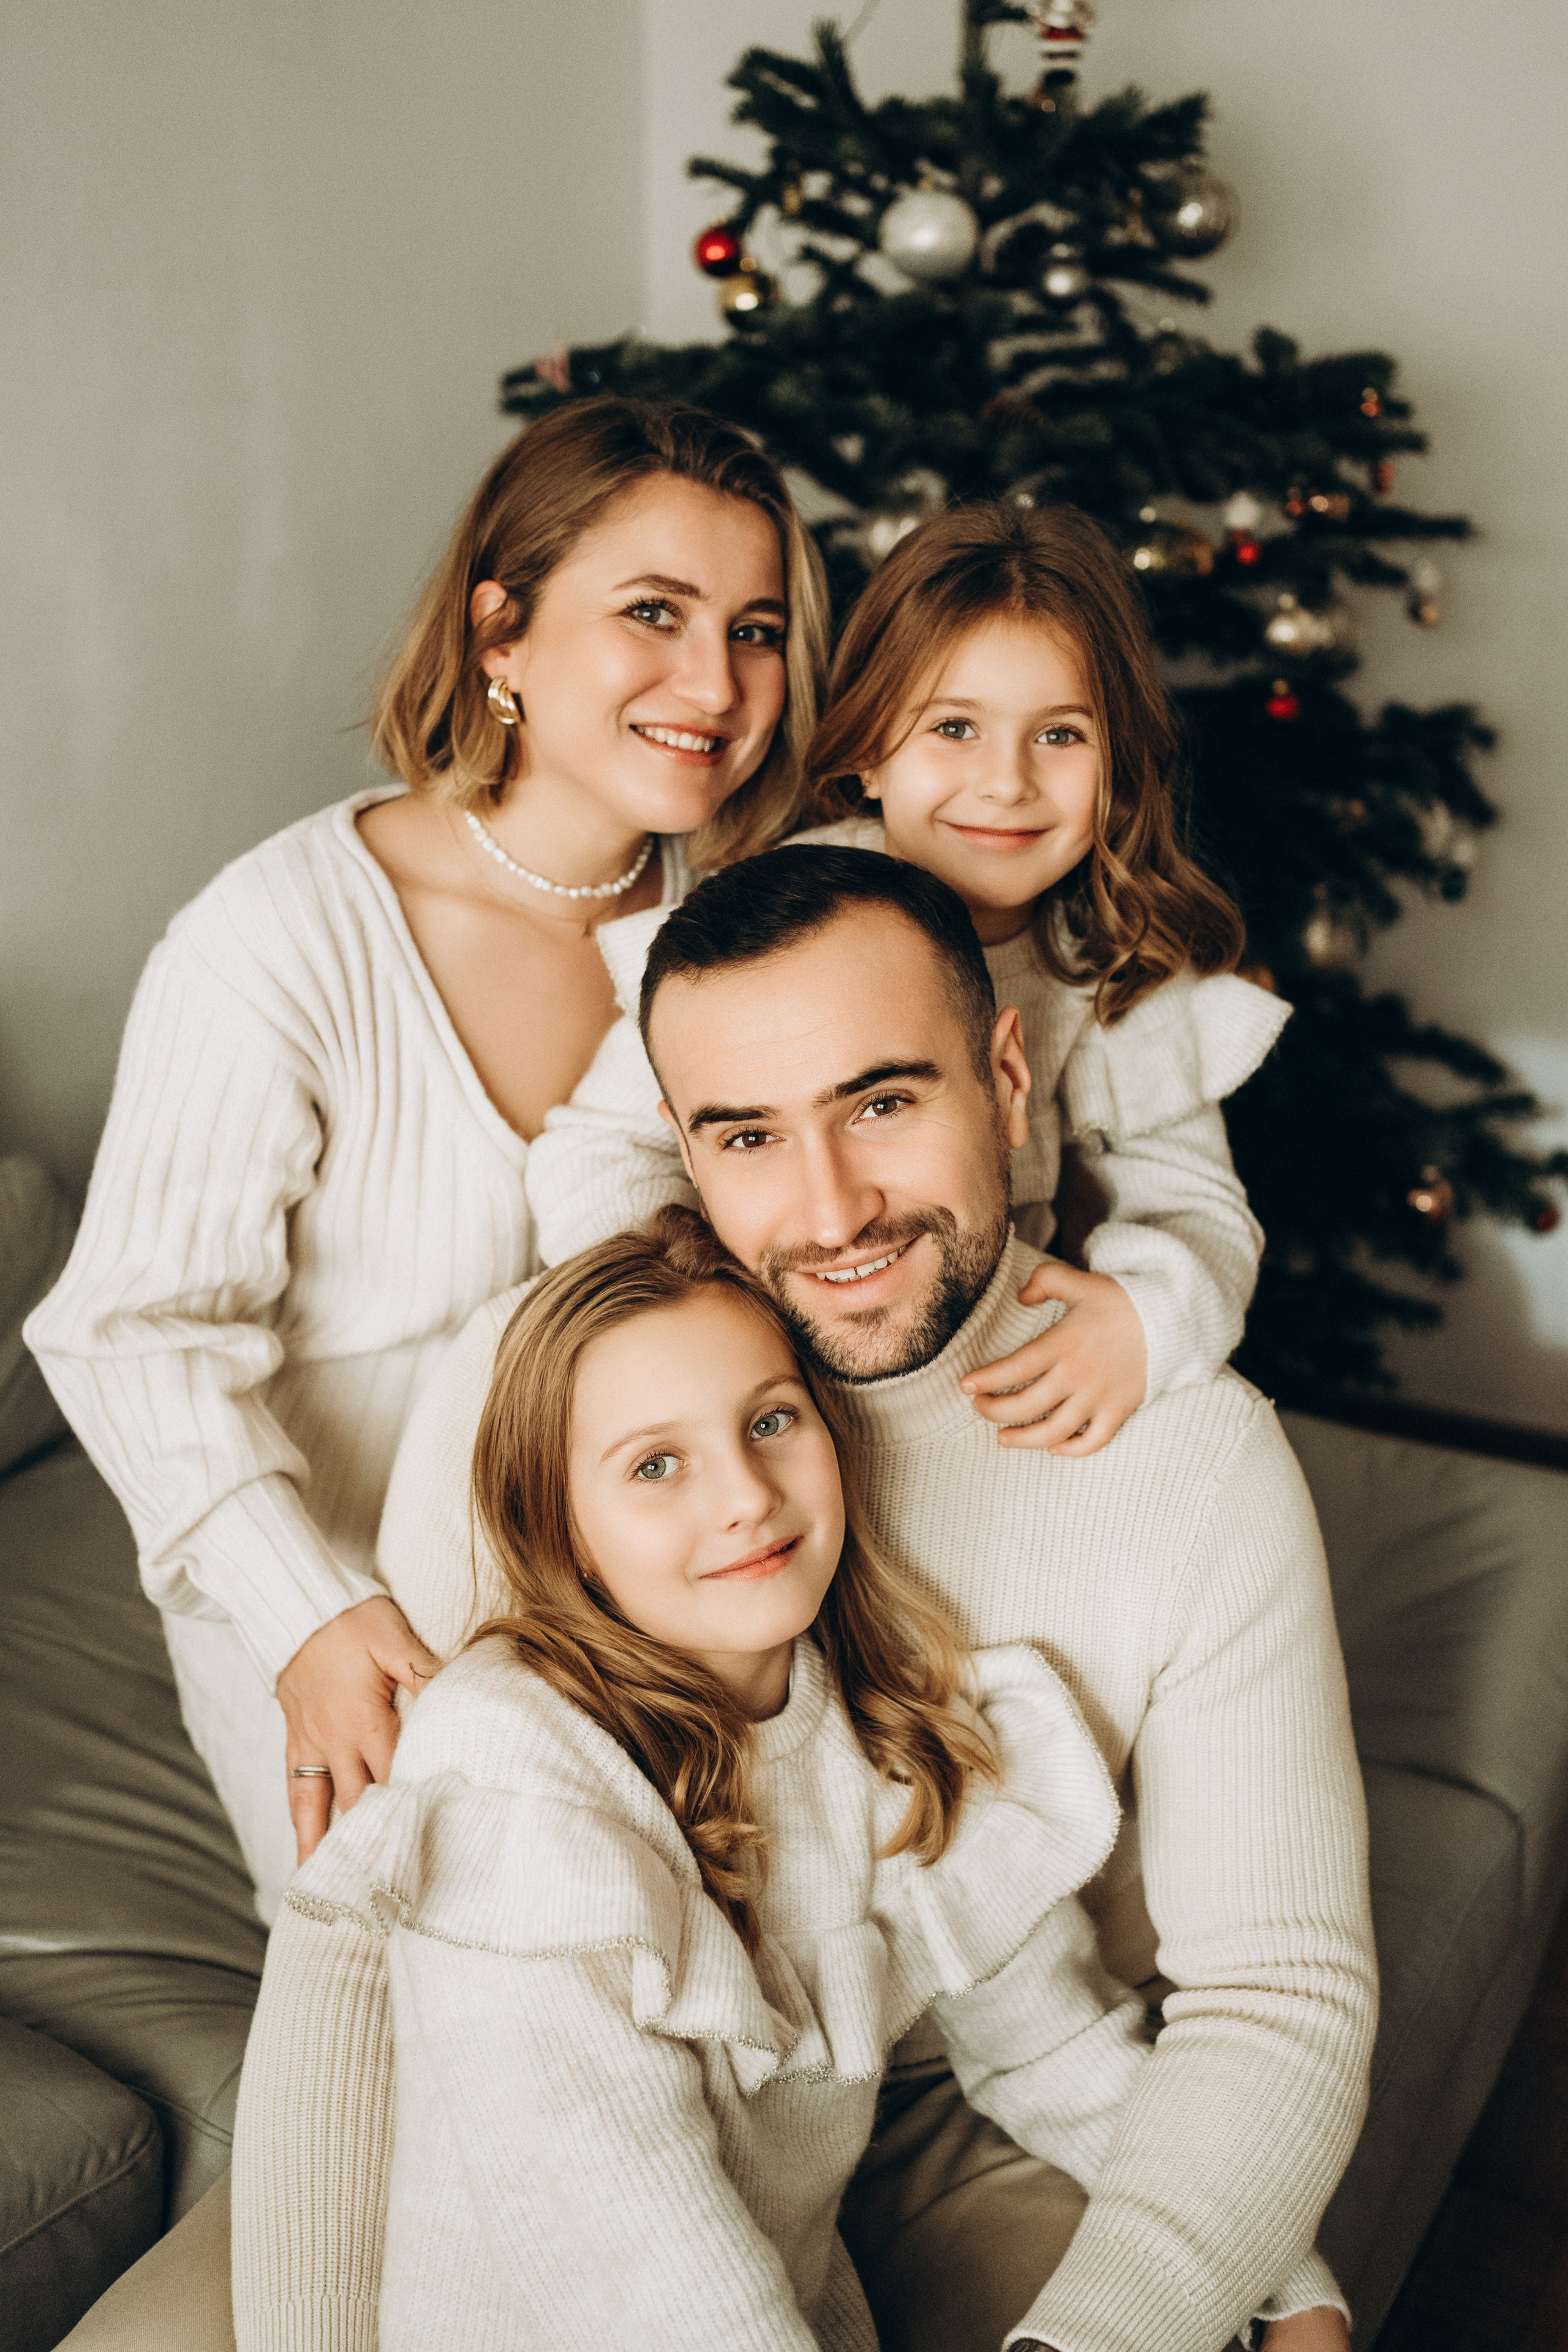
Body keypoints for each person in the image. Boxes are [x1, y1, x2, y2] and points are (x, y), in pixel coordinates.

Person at [380, 847, 1375, 2352]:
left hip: (991, 2075)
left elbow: (1275, 1990)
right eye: (748, 1135)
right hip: (560, 2134)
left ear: (1003, 1074)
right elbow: (394, 1916)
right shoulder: (541, 1391)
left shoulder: (1194, 1459)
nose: (831, 1209)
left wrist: (1214, 2284)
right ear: (679, 1144)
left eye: (881, 1103)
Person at [24, 394, 829, 1920]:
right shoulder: (274, 940)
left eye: (757, 629)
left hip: (672, 1583)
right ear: (500, 635)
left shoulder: (751, 920)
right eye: (652, 613)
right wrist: (308, 1617)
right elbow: (126, 1335)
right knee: (468, 1997)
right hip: (359, 1612)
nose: (715, 682)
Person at [232, 1206, 1155, 2350]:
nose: (745, 1497)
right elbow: (645, 2259)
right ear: (564, 1531)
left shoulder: (889, 1733)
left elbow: (1054, 2044)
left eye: (771, 1420)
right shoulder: (514, 1766)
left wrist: (1269, 2275)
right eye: (655, 1465)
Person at [526, 499, 1287, 1456]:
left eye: (1060, 736)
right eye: (955, 729)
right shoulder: (769, 922)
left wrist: (1144, 1320)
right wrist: (713, 1318)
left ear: (1121, 769)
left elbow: (1195, 1206)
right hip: (782, 1350)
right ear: (873, 750)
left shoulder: (1114, 968)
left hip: (971, 1371)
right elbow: (592, 1158)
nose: (1007, 783)